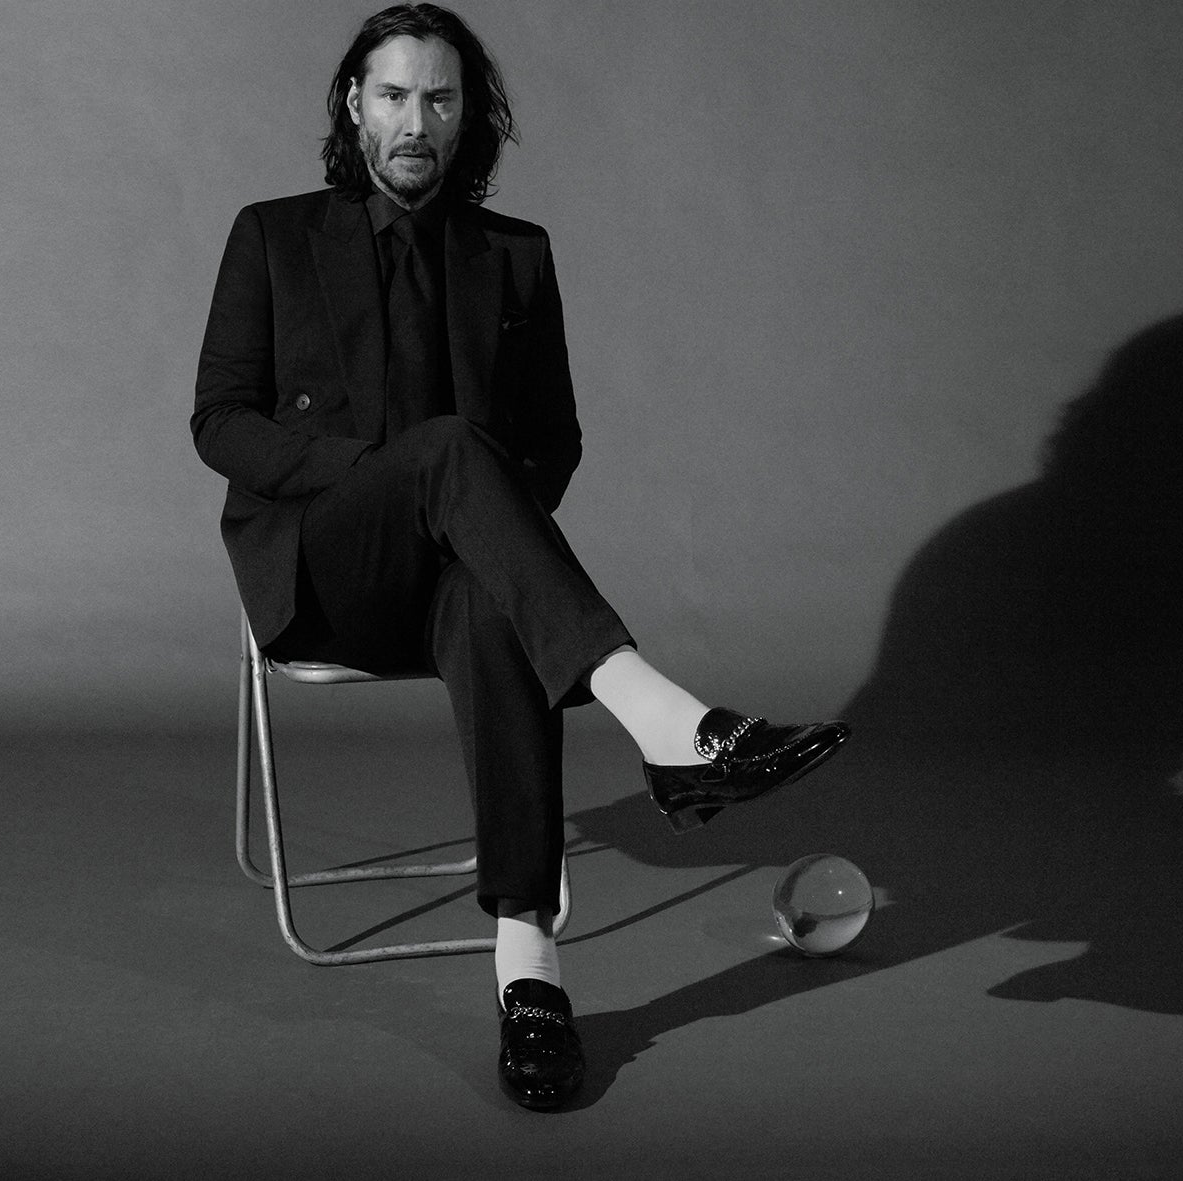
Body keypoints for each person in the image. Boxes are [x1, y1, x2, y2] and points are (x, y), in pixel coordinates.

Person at [191, 3, 847, 1111]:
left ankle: (529, 966)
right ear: (354, 105)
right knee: (450, 449)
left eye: (438, 99)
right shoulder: (273, 235)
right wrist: (376, 473)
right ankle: (668, 721)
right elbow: (221, 422)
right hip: (329, 568)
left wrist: (486, 529)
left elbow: (555, 440)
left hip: (458, 582)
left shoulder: (516, 256)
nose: (415, 122)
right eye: (393, 96)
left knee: (496, 597)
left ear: (466, 118)